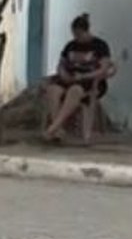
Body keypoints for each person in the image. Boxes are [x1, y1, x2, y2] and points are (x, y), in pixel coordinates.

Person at [43, 13, 115, 145]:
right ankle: (58, 130)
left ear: (85, 31)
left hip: (89, 81)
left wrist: (84, 76)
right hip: (70, 78)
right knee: (52, 90)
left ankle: (52, 128)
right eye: (74, 34)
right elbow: (61, 64)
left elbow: (104, 68)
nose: (76, 37)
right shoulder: (70, 46)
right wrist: (63, 73)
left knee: (74, 91)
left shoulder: (100, 45)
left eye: (78, 34)